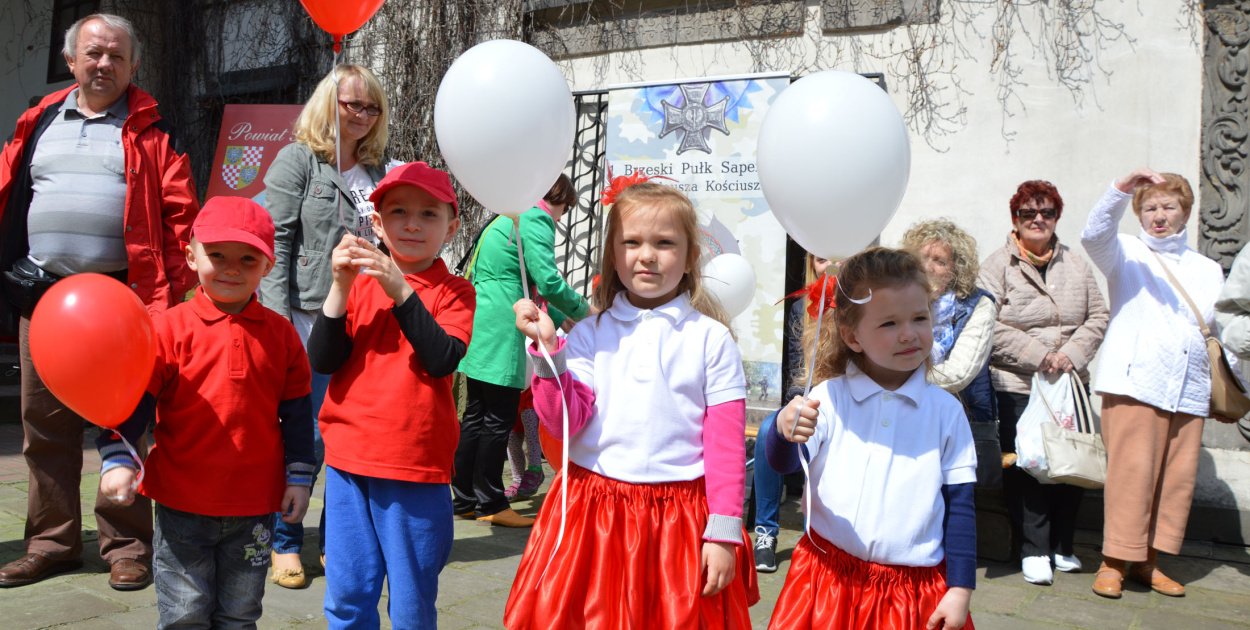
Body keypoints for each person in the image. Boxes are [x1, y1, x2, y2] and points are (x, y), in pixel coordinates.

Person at [0, 13, 199, 590]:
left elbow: (180, 217)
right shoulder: (38, 121)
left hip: (122, 301)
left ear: (133, 65)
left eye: (116, 55)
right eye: (93, 54)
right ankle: (51, 544)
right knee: (44, 427)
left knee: (126, 424)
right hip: (44, 299)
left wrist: (172, 294)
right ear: (72, 61)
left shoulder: (154, 129)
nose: (103, 64)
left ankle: (127, 545)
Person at [504, 180, 758, 628]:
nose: (647, 255)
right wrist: (550, 356)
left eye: (665, 243)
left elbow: (726, 447)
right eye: (632, 242)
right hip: (593, 512)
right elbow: (565, 424)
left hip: (678, 518)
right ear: (613, 256)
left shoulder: (711, 340)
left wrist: (722, 533)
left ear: (690, 257)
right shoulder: (586, 335)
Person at [94, 197, 313, 627]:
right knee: (184, 615)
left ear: (268, 266)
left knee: (240, 614)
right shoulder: (167, 328)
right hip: (182, 505)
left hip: (255, 506)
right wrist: (117, 455)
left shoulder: (283, 335)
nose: (232, 268)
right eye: (218, 255)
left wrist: (300, 477)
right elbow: (136, 401)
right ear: (192, 256)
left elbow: (299, 415)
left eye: (248, 259)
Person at [766, 247, 978, 630]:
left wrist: (960, 589)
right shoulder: (828, 398)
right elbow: (784, 465)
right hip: (828, 581)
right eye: (889, 324)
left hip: (911, 595)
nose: (909, 333)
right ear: (853, 336)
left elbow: (961, 507)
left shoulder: (946, 412)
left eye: (919, 317)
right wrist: (783, 431)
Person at [308, 162, 474, 628]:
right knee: (347, 595)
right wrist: (340, 287)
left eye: (429, 214)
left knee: (411, 601)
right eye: (398, 212)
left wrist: (398, 288)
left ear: (452, 227)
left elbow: (441, 357)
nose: (413, 224)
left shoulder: (456, 290)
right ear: (377, 222)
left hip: (414, 467)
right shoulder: (358, 281)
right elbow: (323, 358)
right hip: (348, 462)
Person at [259, 64, 390, 588]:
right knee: (307, 438)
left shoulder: (380, 173)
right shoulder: (299, 162)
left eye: (371, 107)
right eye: (351, 104)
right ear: (327, 105)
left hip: (368, 322)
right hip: (307, 320)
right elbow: (276, 243)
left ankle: (339, 543)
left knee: (352, 441)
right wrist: (275, 326)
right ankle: (285, 541)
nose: (361, 115)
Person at [1081, 168, 1228, 599]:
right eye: (1149, 208)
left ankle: (1149, 561)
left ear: (1185, 212)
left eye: (1168, 207)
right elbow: (1094, 233)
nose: (1158, 216)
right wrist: (1120, 189)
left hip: (1190, 388)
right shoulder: (1125, 251)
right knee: (1131, 475)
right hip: (1136, 382)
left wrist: (1228, 383)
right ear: (1139, 214)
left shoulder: (1207, 269)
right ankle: (1112, 562)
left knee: (1174, 480)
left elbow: (1219, 329)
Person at [978, 181, 1108, 587]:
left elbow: (1099, 315)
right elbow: (987, 323)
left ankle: (1061, 546)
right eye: (1028, 213)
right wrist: (1039, 355)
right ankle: (1032, 549)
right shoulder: (997, 265)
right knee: (1031, 465)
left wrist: (1072, 353)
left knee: (1073, 461)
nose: (1038, 219)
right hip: (1019, 383)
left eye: (1046, 212)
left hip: (1070, 382)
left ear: (1056, 218)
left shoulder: (1076, 264)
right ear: (1015, 219)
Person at [453, 174, 591, 527]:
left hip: (483, 320)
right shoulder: (536, 215)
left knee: (475, 414)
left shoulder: (507, 214)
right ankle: (491, 504)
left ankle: (465, 498)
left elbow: (525, 276)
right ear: (557, 198)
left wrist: (561, 318)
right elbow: (545, 280)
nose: (557, 221)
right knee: (498, 417)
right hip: (505, 322)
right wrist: (584, 312)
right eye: (561, 213)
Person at [752, 252, 832, 574]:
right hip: (809, 400)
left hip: (845, 405)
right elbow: (797, 367)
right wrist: (795, 403)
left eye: (835, 257)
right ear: (812, 263)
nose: (828, 265)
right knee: (767, 430)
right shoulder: (801, 307)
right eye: (821, 259)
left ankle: (820, 536)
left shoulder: (863, 301)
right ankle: (765, 533)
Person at [902, 220, 997, 424]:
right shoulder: (899, 300)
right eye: (921, 258)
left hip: (963, 419)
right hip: (904, 411)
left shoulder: (979, 304)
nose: (927, 268)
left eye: (940, 261)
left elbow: (958, 374)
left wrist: (895, 376)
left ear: (956, 271)